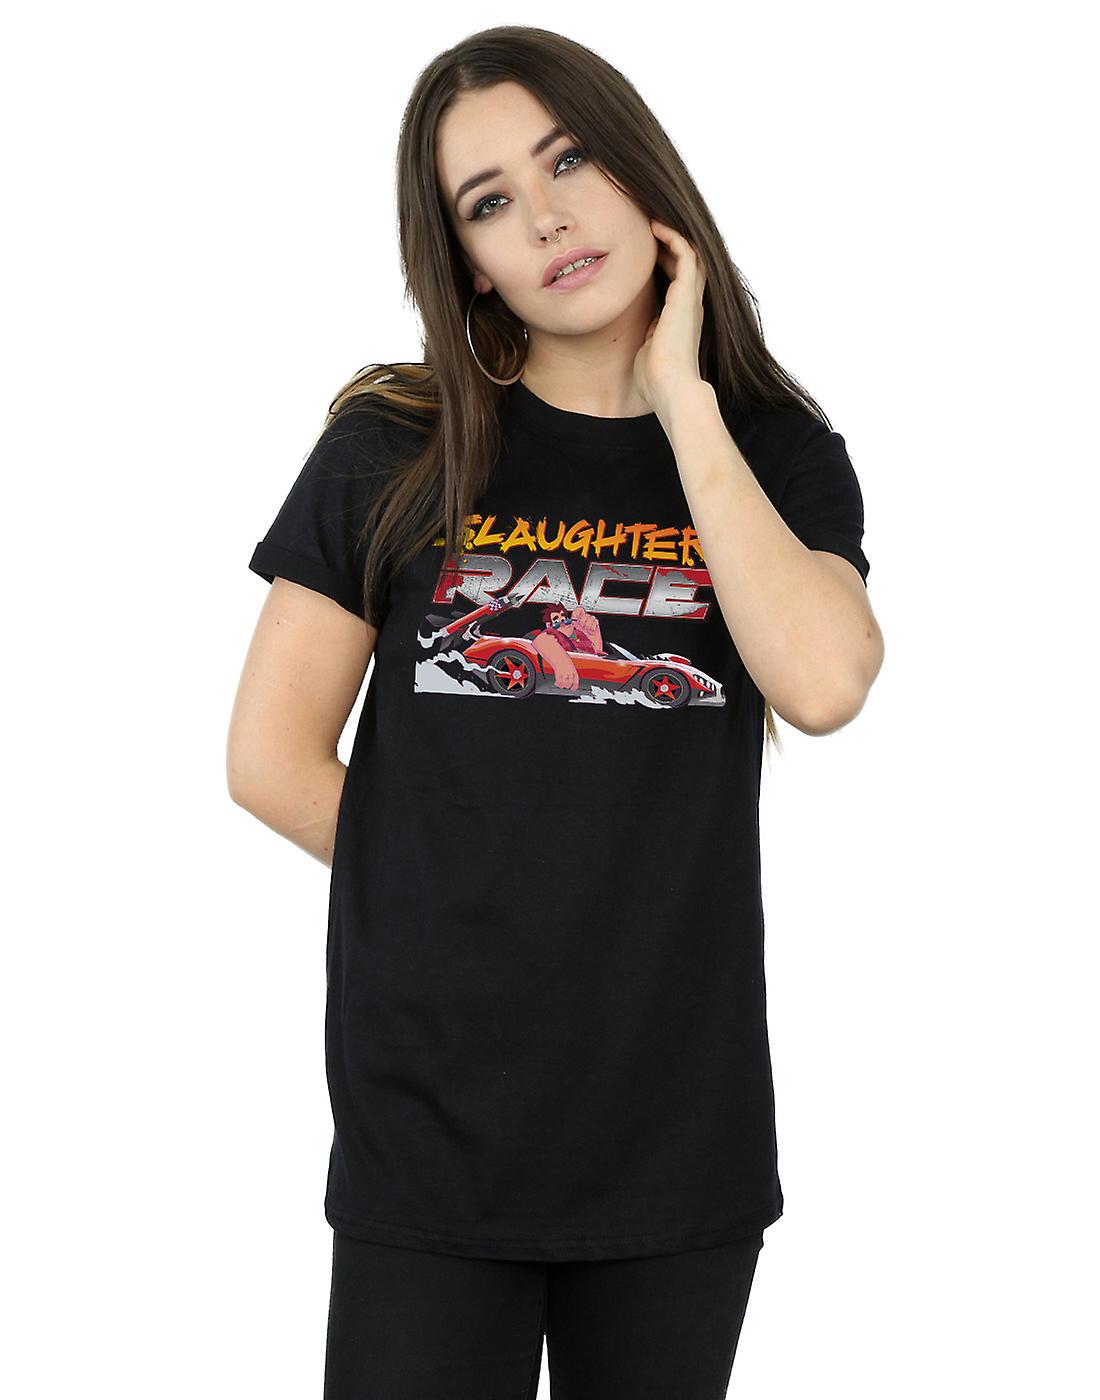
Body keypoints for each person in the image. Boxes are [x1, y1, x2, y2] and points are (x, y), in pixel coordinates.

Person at [227, 25, 884, 1400]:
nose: (545, 217)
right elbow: (270, 761)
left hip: (676, 1131)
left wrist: (683, 405)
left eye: (568, 160)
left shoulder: (771, 453)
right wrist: (479, 893)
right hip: (434, 1122)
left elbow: (824, 685)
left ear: (640, 170)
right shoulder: (395, 444)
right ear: (470, 259)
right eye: (490, 201)